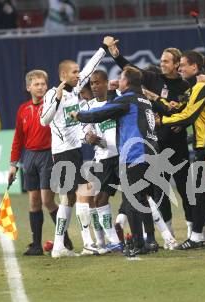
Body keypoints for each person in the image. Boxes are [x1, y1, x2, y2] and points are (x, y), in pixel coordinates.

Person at [106, 39, 193, 238]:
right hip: (158, 145)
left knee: (185, 190)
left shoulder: (185, 86)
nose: (162, 64)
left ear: (177, 64)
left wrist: (180, 123)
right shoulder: (153, 78)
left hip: (178, 145)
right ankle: (168, 231)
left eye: (166, 61)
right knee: (160, 191)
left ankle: (193, 232)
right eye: (161, 60)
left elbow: (188, 112)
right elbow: (131, 69)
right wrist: (116, 54)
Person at [70, 66, 158, 257]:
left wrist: (79, 116)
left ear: (127, 82)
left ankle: (137, 244)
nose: (119, 79)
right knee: (142, 198)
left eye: (121, 77)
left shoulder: (127, 99)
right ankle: (150, 240)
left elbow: (101, 113)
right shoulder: (143, 99)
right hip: (150, 154)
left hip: (134, 154)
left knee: (131, 200)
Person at [40, 41, 109, 258]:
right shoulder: (52, 94)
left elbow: (88, 71)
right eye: (74, 71)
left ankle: (59, 246)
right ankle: (88, 243)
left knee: (68, 199)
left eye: (78, 71)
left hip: (74, 150)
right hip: (63, 152)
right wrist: (58, 99)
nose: (79, 74)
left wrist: (103, 48)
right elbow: (44, 120)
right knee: (83, 191)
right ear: (63, 74)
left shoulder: (76, 89)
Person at [147, 50, 205, 250]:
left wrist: (165, 120)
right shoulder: (194, 85)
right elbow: (183, 110)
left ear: (192, 67)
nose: (179, 68)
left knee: (200, 192)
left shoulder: (195, 86)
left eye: (181, 65)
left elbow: (186, 115)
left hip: (200, 146)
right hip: (174, 146)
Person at [8, 70, 73, 255]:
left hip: (48, 156)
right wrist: (13, 163)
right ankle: (36, 245)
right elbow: (18, 138)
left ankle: (64, 239)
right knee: (34, 202)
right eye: (36, 84)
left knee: (48, 201)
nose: (41, 87)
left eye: (43, 84)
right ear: (28, 87)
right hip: (29, 158)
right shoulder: (23, 110)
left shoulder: (53, 106)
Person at [82, 70, 123, 251]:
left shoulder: (118, 99)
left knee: (140, 195)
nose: (94, 86)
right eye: (92, 83)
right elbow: (85, 133)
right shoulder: (88, 108)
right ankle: (111, 241)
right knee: (99, 199)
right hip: (103, 159)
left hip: (123, 155)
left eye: (98, 82)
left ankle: (155, 235)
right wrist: (90, 138)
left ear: (106, 83)